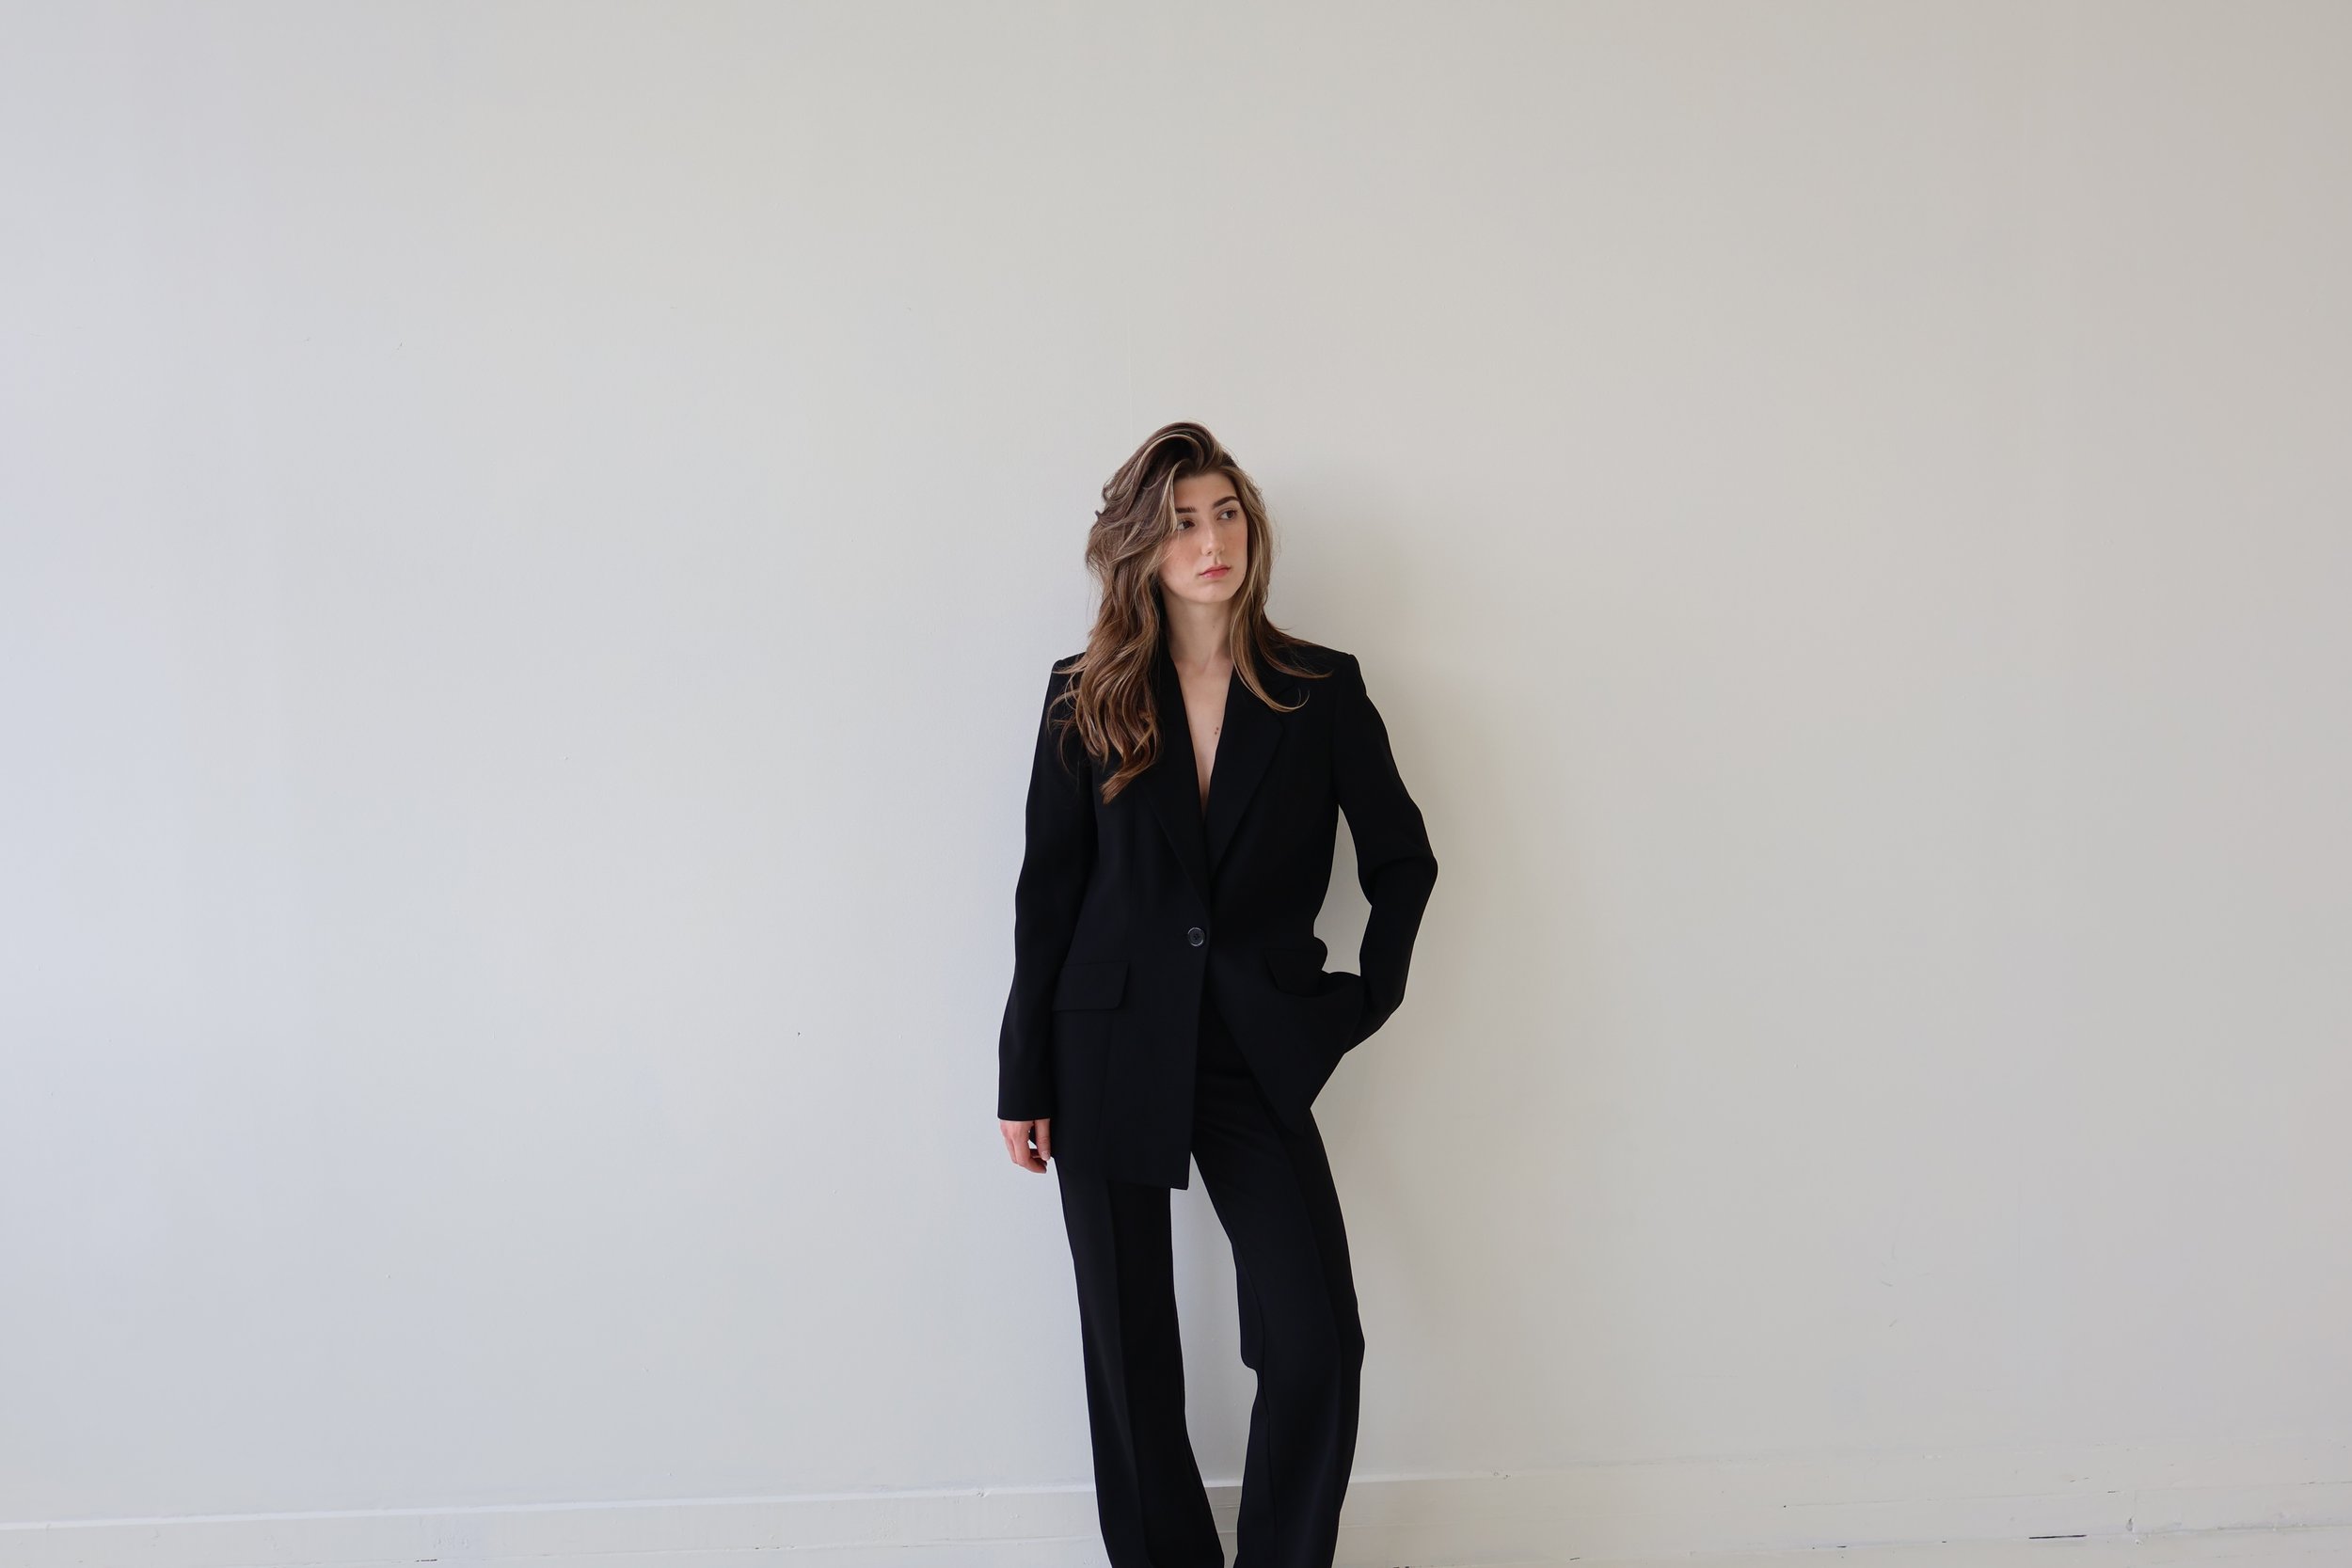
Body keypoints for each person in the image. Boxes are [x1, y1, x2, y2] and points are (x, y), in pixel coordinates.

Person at [995, 420, 1439, 1568]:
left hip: (1255, 1047)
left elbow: (1402, 859)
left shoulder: (1319, 688)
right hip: (1102, 1050)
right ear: (1142, 546)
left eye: (1226, 511)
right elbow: (1047, 896)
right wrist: (1022, 1077)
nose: (1211, 540)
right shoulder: (1081, 694)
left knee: (1312, 1344)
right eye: (1183, 520)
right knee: (1129, 1353)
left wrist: (1356, 998)